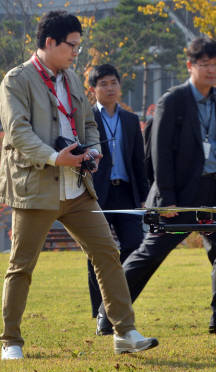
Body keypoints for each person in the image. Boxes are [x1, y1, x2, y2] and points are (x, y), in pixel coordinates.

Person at [0, 10, 158, 360]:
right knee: (22, 266)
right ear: (50, 43)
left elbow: (88, 123)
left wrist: (94, 152)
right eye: (72, 46)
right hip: (36, 188)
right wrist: (57, 158)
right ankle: (11, 341)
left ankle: (124, 332)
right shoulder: (16, 80)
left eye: (78, 47)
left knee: (107, 252)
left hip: (78, 186)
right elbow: (18, 132)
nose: (75, 53)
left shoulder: (71, 79)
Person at [95, 36, 216, 335]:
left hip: (212, 192)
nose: (211, 70)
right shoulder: (173, 100)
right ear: (190, 66)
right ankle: (108, 314)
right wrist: (167, 199)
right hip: (177, 197)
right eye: (204, 64)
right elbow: (160, 152)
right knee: (150, 254)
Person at [87, 64, 148, 327]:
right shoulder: (87, 119)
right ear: (93, 90)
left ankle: (112, 301)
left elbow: (139, 161)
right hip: (97, 194)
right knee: (97, 253)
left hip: (126, 192)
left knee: (135, 245)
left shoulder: (131, 120)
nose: (110, 88)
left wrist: (144, 196)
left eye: (114, 82)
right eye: (103, 84)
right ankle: (99, 311)